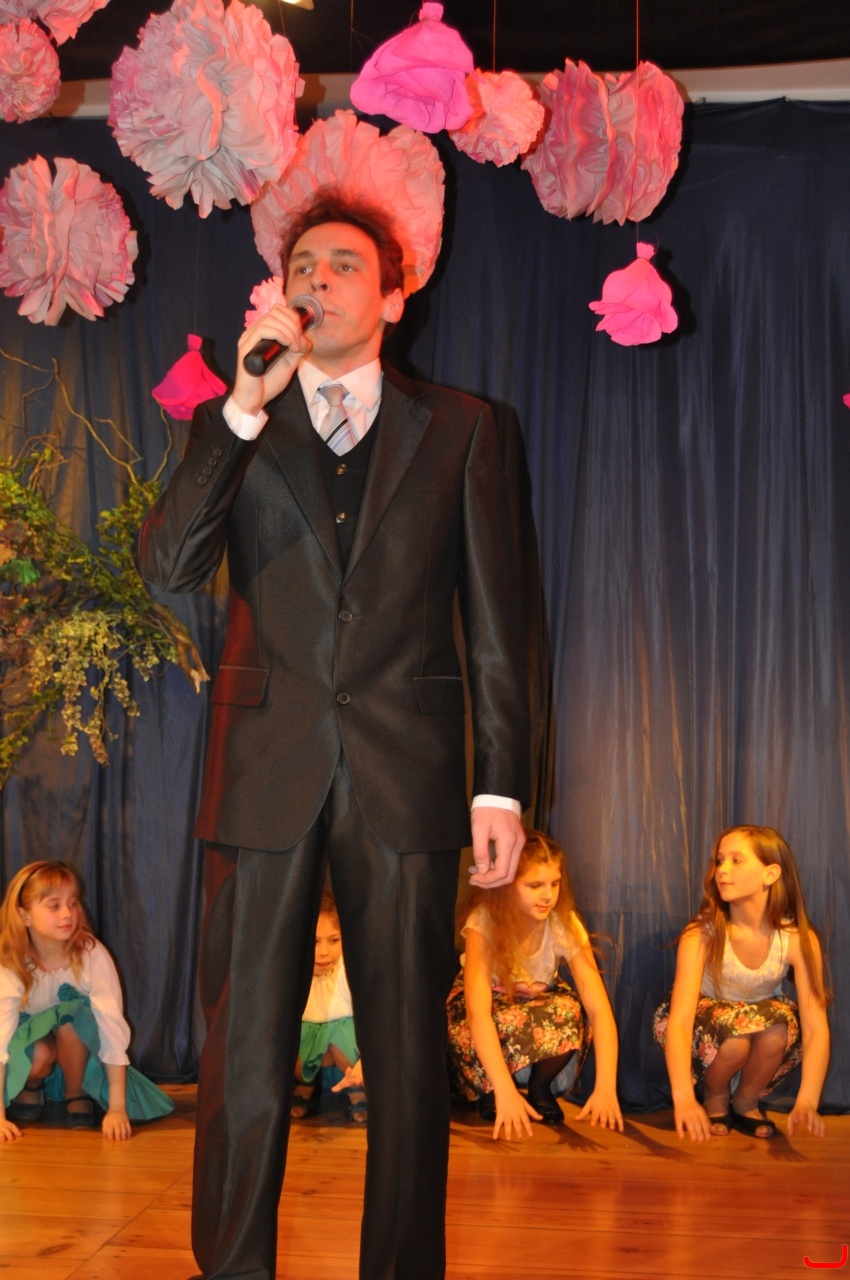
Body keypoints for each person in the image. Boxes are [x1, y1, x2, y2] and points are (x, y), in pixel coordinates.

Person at [138, 188, 530, 1280]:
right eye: (302, 264)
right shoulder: (240, 421)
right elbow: (170, 567)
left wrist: (500, 784)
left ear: (395, 297)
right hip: (265, 771)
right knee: (242, 1055)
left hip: (409, 773)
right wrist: (240, 406)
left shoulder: (463, 428)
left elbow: (502, 622)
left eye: (345, 264)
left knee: (403, 1058)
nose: (318, 279)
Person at [653, 824, 830, 1141]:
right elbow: (679, 1022)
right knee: (736, 1040)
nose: (722, 869)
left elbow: (816, 1026)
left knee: (777, 1031)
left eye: (736, 860)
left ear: (770, 874)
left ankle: (747, 1100)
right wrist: (683, 1098)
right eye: (720, 860)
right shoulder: (702, 933)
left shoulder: (796, 939)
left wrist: (808, 1100)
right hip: (709, 1023)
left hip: (758, 1020)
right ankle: (715, 1096)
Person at [447, 830, 623, 1139]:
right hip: (489, 1007)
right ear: (507, 884)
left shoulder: (562, 922)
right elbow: (478, 1013)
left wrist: (606, 1087)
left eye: (554, 884)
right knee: (476, 1022)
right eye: (535, 885)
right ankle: (493, 1088)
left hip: (534, 1001)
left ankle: (540, 1086)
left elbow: (598, 1008)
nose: (547, 895)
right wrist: (504, 1089)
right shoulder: (484, 920)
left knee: (568, 1011)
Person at [0, 860, 174, 1142]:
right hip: (33, 1049)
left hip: (78, 1053)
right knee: (39, 1053)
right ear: (24, 916)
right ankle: (31, 1086)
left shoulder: (90, 955)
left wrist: (117, 1108)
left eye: (72, 903)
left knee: (73, 1019)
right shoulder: (11, 961)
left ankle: (75, 1091)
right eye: (54, 906)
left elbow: (111, 1026)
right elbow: (1, 1038)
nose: (67, 913)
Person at [292, 889, 366, 1124]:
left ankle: (357, 1093)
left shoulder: (348, 970)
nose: (324, 952)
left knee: (341, 1035)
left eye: (334, 940)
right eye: (314, 942)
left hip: (345, 1047)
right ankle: (305, 1086)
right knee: (297, 1049)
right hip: (310, 1041)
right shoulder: (294, 970)